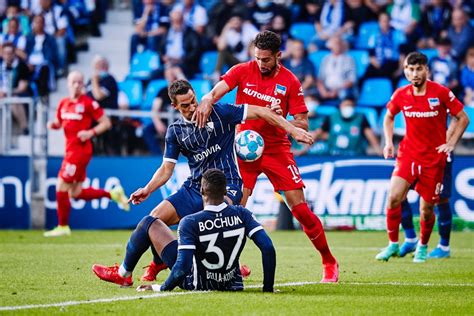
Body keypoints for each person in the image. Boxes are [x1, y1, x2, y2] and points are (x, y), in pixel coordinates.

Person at [91, 79, 312, 284]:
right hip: (195, 187)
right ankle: (123, 273)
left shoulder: (221, 112)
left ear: (196, 96)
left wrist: (292, 130)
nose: (192, 108)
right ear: (175, 106)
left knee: (218, 218)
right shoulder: (176, 131)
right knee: (151, 221)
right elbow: (167, 168)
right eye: (185, 105)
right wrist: (148, 189)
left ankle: (229, 265)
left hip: (228, 186)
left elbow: (262, 111)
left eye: (193, 101)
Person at [195, 31, 339, 283]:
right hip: (244, 149)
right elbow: (218, 90)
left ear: (278, 56)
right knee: (232, 207)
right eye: (258, 58)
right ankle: (232, 263)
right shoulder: (242, 70)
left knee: (301, 209)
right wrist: (207, 98)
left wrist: (281, 116)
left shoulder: (291, 82)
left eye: (266, 59)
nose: (261, 63)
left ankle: (328, 260)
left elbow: (302, 123)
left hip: (276, 149)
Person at [94, 169, 276, 292]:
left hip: (195, 283)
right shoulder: (242, 213)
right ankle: (141, 269)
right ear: (224, 192)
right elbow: (267, 247)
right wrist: (268, 289)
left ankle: (124, 274)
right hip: (232, 284)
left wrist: (159, 288)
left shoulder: (190, 221)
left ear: (203, 192)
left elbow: (182, 268)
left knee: (149, 222)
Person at [375, 52, 469, 263]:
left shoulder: (441, 93)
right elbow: (389, 117)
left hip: (433, 159)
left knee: (426, 209)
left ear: (427, 70)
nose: (415, 73)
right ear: (405, 70)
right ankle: (392, 244)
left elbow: (462, 118)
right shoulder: (401, 94)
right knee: (393, 198)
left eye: (419, 69)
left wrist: (451, 143)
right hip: (408, 155)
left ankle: (422, 247)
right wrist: (388, 142)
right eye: (410, 69)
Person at [44, 71, 130, 237]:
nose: (77, 85)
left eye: (80, 82)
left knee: (61, 186)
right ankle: (113, 193)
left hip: (80, 152)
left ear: (83, 84)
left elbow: (106, 123)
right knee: (75, 193)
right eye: (73, 82)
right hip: (70, 150)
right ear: (68, 84)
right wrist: (53, 125)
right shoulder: (63, 103)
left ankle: (63, 226)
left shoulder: (89, 103)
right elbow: (60, 123)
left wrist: (90, 133)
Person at [399, 154, 454, 259]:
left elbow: (456, 135)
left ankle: (444, 246)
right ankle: (410, 239)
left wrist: (451, 143)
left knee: (441, 198)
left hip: (438, 156)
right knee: (399, 193)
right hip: (416, 154)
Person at [293, 97, 383, 157]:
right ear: (340, 106)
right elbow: (317, 135)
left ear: (354, 107)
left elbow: (371, 137)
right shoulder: (332, 117)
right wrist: (303, 151)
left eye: (350, 106)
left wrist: (379, 151)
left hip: (356, 156)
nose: (348, 108)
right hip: (333, 156)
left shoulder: (361, 118)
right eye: (345, 105)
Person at [86, 55, 121, 155]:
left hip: (108, 118)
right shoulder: (90, 81)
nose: (98, 68)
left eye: (101, 65)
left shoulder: (109, 80)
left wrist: (95, 81)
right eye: (96, 66)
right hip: (93, 117)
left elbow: (98, 96)